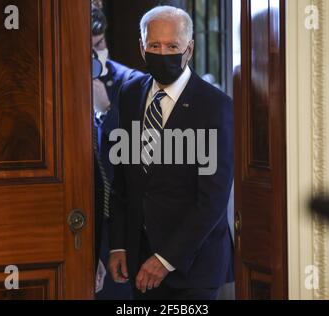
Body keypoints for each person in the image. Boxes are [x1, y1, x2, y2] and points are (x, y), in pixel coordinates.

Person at [108, 6, 234, 300]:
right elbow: (122, 181)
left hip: (194, 268)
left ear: (188, 49)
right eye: (154, 45)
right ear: (142, 48)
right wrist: (118, 245)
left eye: (172, 46)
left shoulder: (214, 106)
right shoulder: (129, 94)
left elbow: (212, 199)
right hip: (139, 260)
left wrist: (164, 259)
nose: (162, 53)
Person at [91, 6, 143, 299]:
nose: (95, 55)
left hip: (117, 218)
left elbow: (138, 148)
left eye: (99, 46)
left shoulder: (130, 82)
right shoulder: (56, 83)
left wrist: (106, 111)